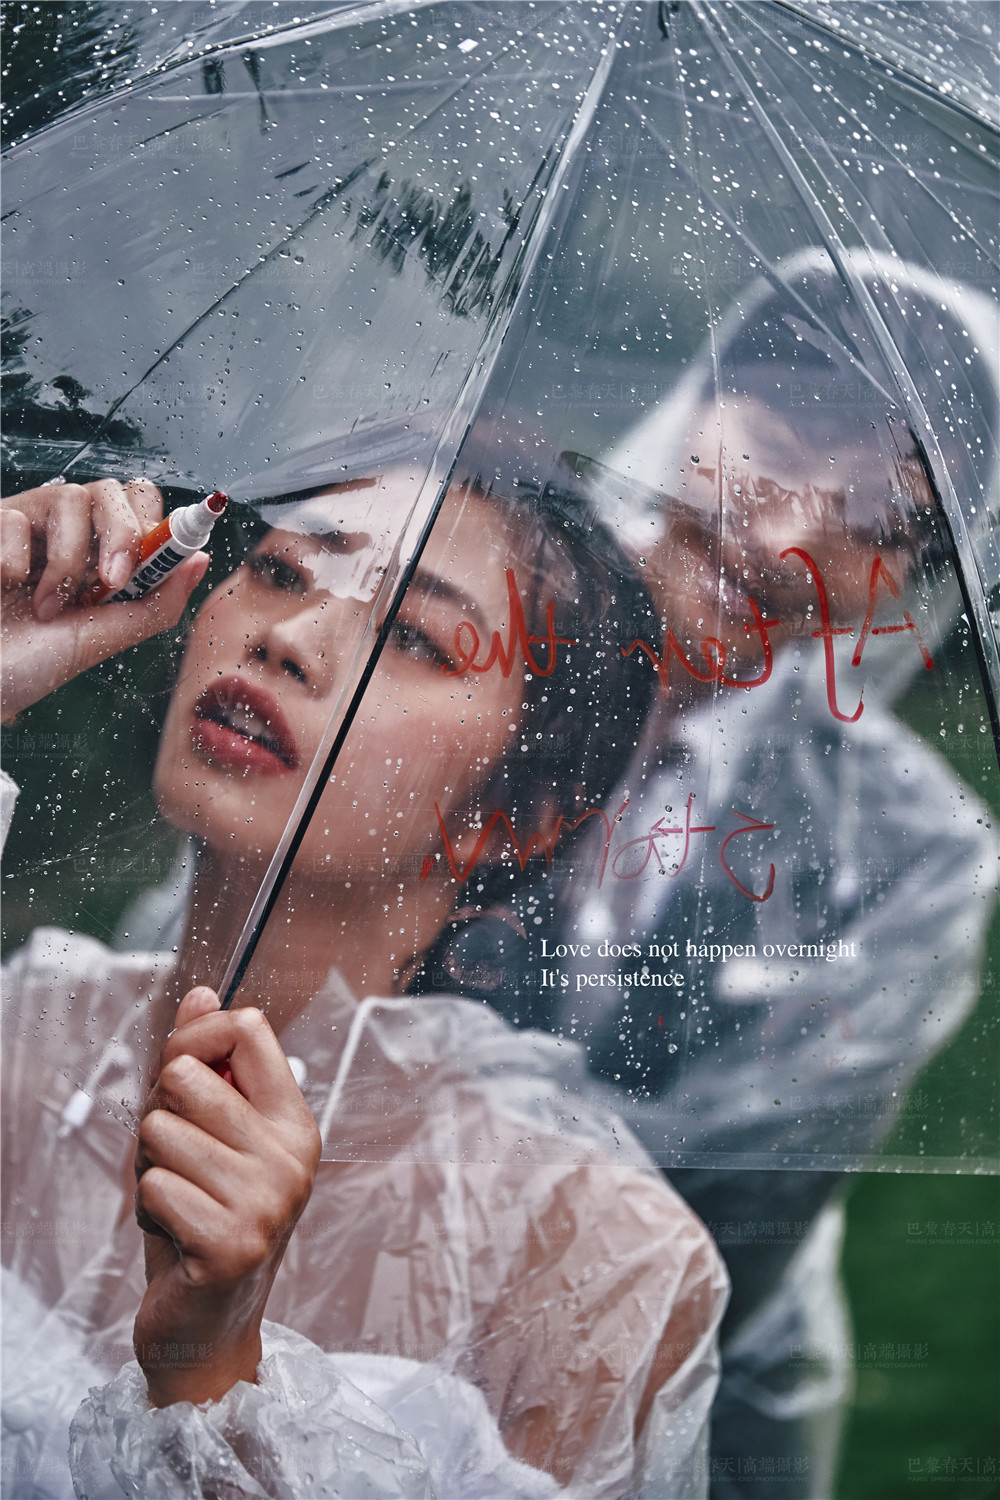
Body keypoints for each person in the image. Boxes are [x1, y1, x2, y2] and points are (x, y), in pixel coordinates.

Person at [1, 459, 728, 1498]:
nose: (285, 640)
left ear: (508, 819)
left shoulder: (592, 1266)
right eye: (284, 574)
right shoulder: (25, 1028)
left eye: (415, 639)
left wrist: (212, 1378)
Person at [488, 258, 998, 1498]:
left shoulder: (921, 855)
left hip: (695, 1402)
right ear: (691, 403)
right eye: (767, 440)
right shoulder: (462, 675)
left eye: (873, 525)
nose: (784, 537)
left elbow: (726, 1192)